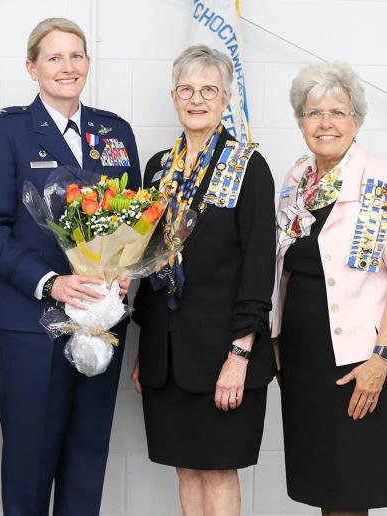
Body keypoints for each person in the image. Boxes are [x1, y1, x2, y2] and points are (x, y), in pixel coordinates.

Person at [0, 17, 140, 516]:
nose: (67, 67)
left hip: (102, 323)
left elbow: (133, 221)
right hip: (31, 325)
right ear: (32, 67)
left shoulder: (115, 131)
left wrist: (126, 269)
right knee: (28, 462)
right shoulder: (7, 130)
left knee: (87, 460)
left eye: (76, 56)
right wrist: (52, 284)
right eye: (54, 57)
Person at [273, 61, 387, 515]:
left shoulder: (385, 182)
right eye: (313, 112)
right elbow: (282, 267)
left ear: (357, 120)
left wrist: (381, 360)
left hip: (364, 356)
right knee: (322, 481)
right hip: (305, 353)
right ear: (301, 122)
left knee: (350, 485)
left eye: (337, 112)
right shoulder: (297, 179)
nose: (325, 123)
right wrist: (277, 337)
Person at [130, 44, 275, 515]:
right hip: (167, 356)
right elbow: (149, 263)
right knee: (186, 469)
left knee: (217, 468)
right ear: (173, 96)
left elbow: (258, 268)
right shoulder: (157, 169)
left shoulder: (246, 166)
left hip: (222, 353)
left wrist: (240, 354)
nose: (197, 99)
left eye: (208, 90)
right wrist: (146, 352)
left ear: (226, 99)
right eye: (187, 89)